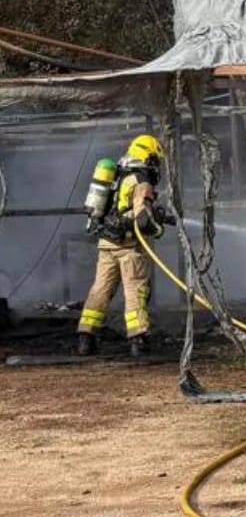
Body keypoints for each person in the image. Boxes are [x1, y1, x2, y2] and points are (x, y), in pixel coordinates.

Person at [76, 134, 172, 358]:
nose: (156, 166)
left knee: (100, 290)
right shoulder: (141, 180)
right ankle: (138, 340)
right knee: (135, 291)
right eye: (155, 160)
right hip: (129, 246)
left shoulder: (117, 174)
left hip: (106, 243)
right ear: (148, 157)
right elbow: (143, 221)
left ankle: (85, 339)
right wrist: (158, 228)